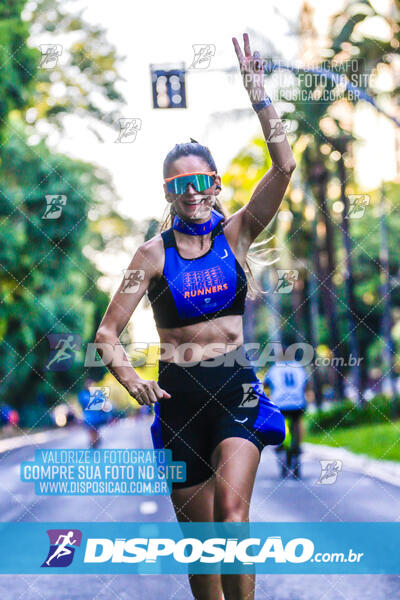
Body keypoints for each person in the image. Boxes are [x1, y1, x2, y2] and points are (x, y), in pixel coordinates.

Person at [95, 32, 296, 600]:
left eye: (200, 181)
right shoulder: (150, 255)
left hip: (235, 385)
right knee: (202, 541)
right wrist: (131, 379)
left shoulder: (236, 234)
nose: (192, 193)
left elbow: (283, 167)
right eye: (179, 184)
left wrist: (260, 97)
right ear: (169, 191)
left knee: (233, 516)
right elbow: (108, 335)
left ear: (214, 184)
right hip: (178, 396)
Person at [264, 361, 308, 479]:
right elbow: (306, 385)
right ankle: (297, 445)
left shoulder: (274, 368)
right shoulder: (299, 367)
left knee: (279, 425)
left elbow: (266, 385)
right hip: (297, 402)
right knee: (297, 421)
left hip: (280, 403)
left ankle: (280, 445)